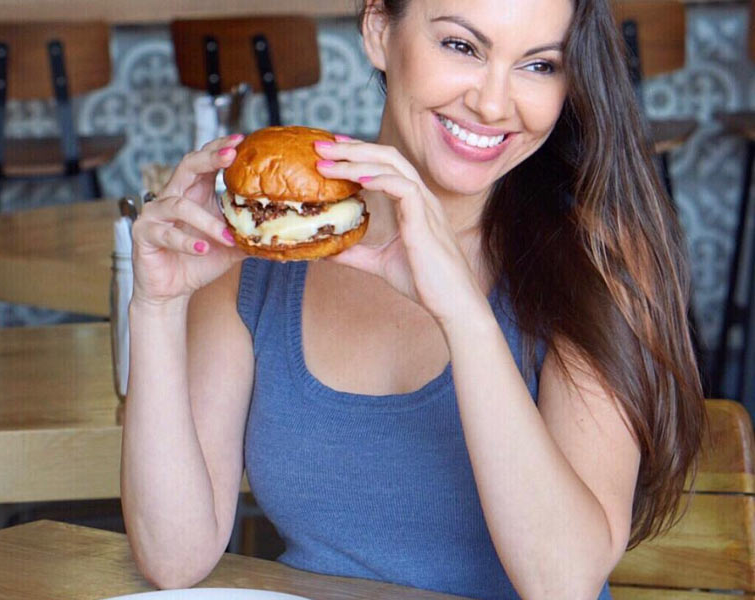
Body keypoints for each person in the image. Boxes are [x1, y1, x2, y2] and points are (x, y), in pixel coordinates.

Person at [120, 0, 705, 598]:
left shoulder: (601, 259)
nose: (494, 103)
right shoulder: (266, 254)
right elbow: (174, 558)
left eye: (538, 66)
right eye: (461, 46)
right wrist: (158, 308)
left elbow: (564, 583)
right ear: (378, 30)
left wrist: (463, 316)